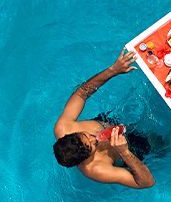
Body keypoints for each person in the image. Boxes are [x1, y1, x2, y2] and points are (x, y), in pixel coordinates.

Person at [52, 49, 156, 189]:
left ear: (71, 133)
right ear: (83, 161)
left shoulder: (63, 126)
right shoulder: (97, 169)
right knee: (159, 143)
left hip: (107, 121)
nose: (94, 137)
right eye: (92, 145)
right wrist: (124, 152)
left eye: (86, 135)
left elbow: (83, 92)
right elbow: (147, 183)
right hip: (128, 146)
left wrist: (113, 70)